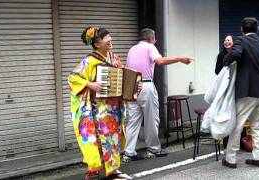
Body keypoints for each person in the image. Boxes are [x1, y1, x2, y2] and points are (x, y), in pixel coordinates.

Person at [68, 26, 132, 180]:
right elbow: (72, 78)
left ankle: (113, 170)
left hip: (113, 107)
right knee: (95, 139)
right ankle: (93, 171)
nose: (110, 39)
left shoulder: (115, 59)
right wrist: (90, 84)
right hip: (96, 110)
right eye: (105, 37)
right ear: (97, 44)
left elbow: (124, 77)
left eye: (109, 36)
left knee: (113, 139)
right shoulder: (89, 61)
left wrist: (134, 85)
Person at [122, 28, 193, 162]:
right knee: (151, 118)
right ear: (151, 39)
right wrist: (180, 58)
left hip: (131, 86)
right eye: (155, 39)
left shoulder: (132, 49)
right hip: (146, 85)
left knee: (132, 121)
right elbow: (160, 61)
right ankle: (153, 149)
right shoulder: (150, 47)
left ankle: (129, 152)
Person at [222, 17, 259, 169]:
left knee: (237, 124)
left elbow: (235, 55)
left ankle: (230, 158)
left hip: (247, 91)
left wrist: (225, 62)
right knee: (258, 125)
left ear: (241, 29)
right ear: (258, 29)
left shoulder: (240, 41)